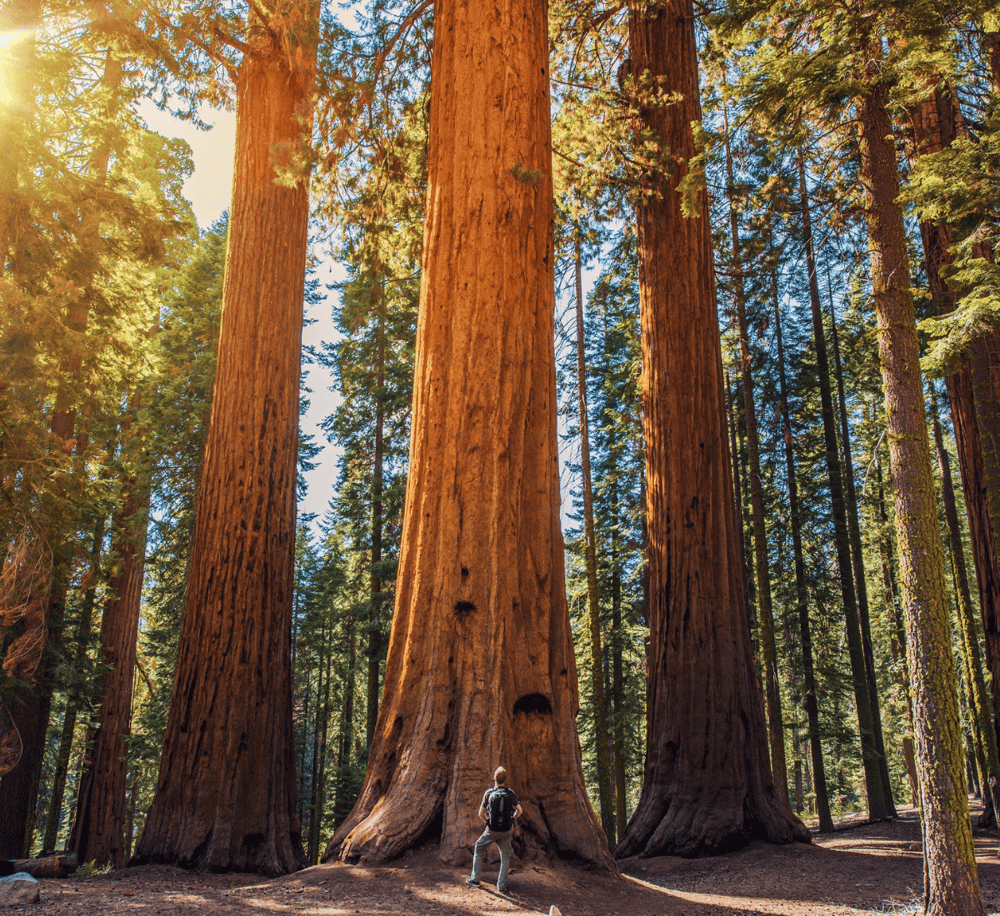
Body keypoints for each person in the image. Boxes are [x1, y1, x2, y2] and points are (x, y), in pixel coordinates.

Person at [466, 766, 522, 893]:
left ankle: (475, 879)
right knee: (505, 857)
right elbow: (520, 810)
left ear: (494, 778)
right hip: (506, 831)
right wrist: (513, 818)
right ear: (504, 779)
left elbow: (481, 813)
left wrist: (488, 821)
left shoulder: (489, 793)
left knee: (479, 847)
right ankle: (501, 886)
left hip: (491, 830)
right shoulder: (510, 793)